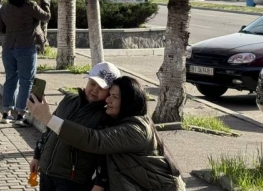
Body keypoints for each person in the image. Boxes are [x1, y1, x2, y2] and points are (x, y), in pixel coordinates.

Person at [28, 76, 184, 191]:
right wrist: (38, 154)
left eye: (114, 97)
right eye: (109, 94)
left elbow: (95, 141)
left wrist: (47, 118)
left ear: (128, 102)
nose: (107, 100)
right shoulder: (112, 120)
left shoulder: (136, 129)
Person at [29, 62, 122, 191]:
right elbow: (49, 131)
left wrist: (100, 183)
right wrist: (37, 156)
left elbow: (104, 156)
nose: (95, 89)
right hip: (46, 172)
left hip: (72, 180)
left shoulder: (105, 117)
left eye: (101, 87)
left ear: (110, 92)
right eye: (92, 83)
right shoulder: (68, 100)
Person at [0, 0, 51, 126]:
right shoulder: (30, 6)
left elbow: (0, 29)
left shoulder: (5, 8)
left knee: (10, 80)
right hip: (26, 47)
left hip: (8, 48)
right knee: (26, 81)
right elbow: (46, 16)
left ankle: (6, 113)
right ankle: (20, 115)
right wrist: (43, 0)